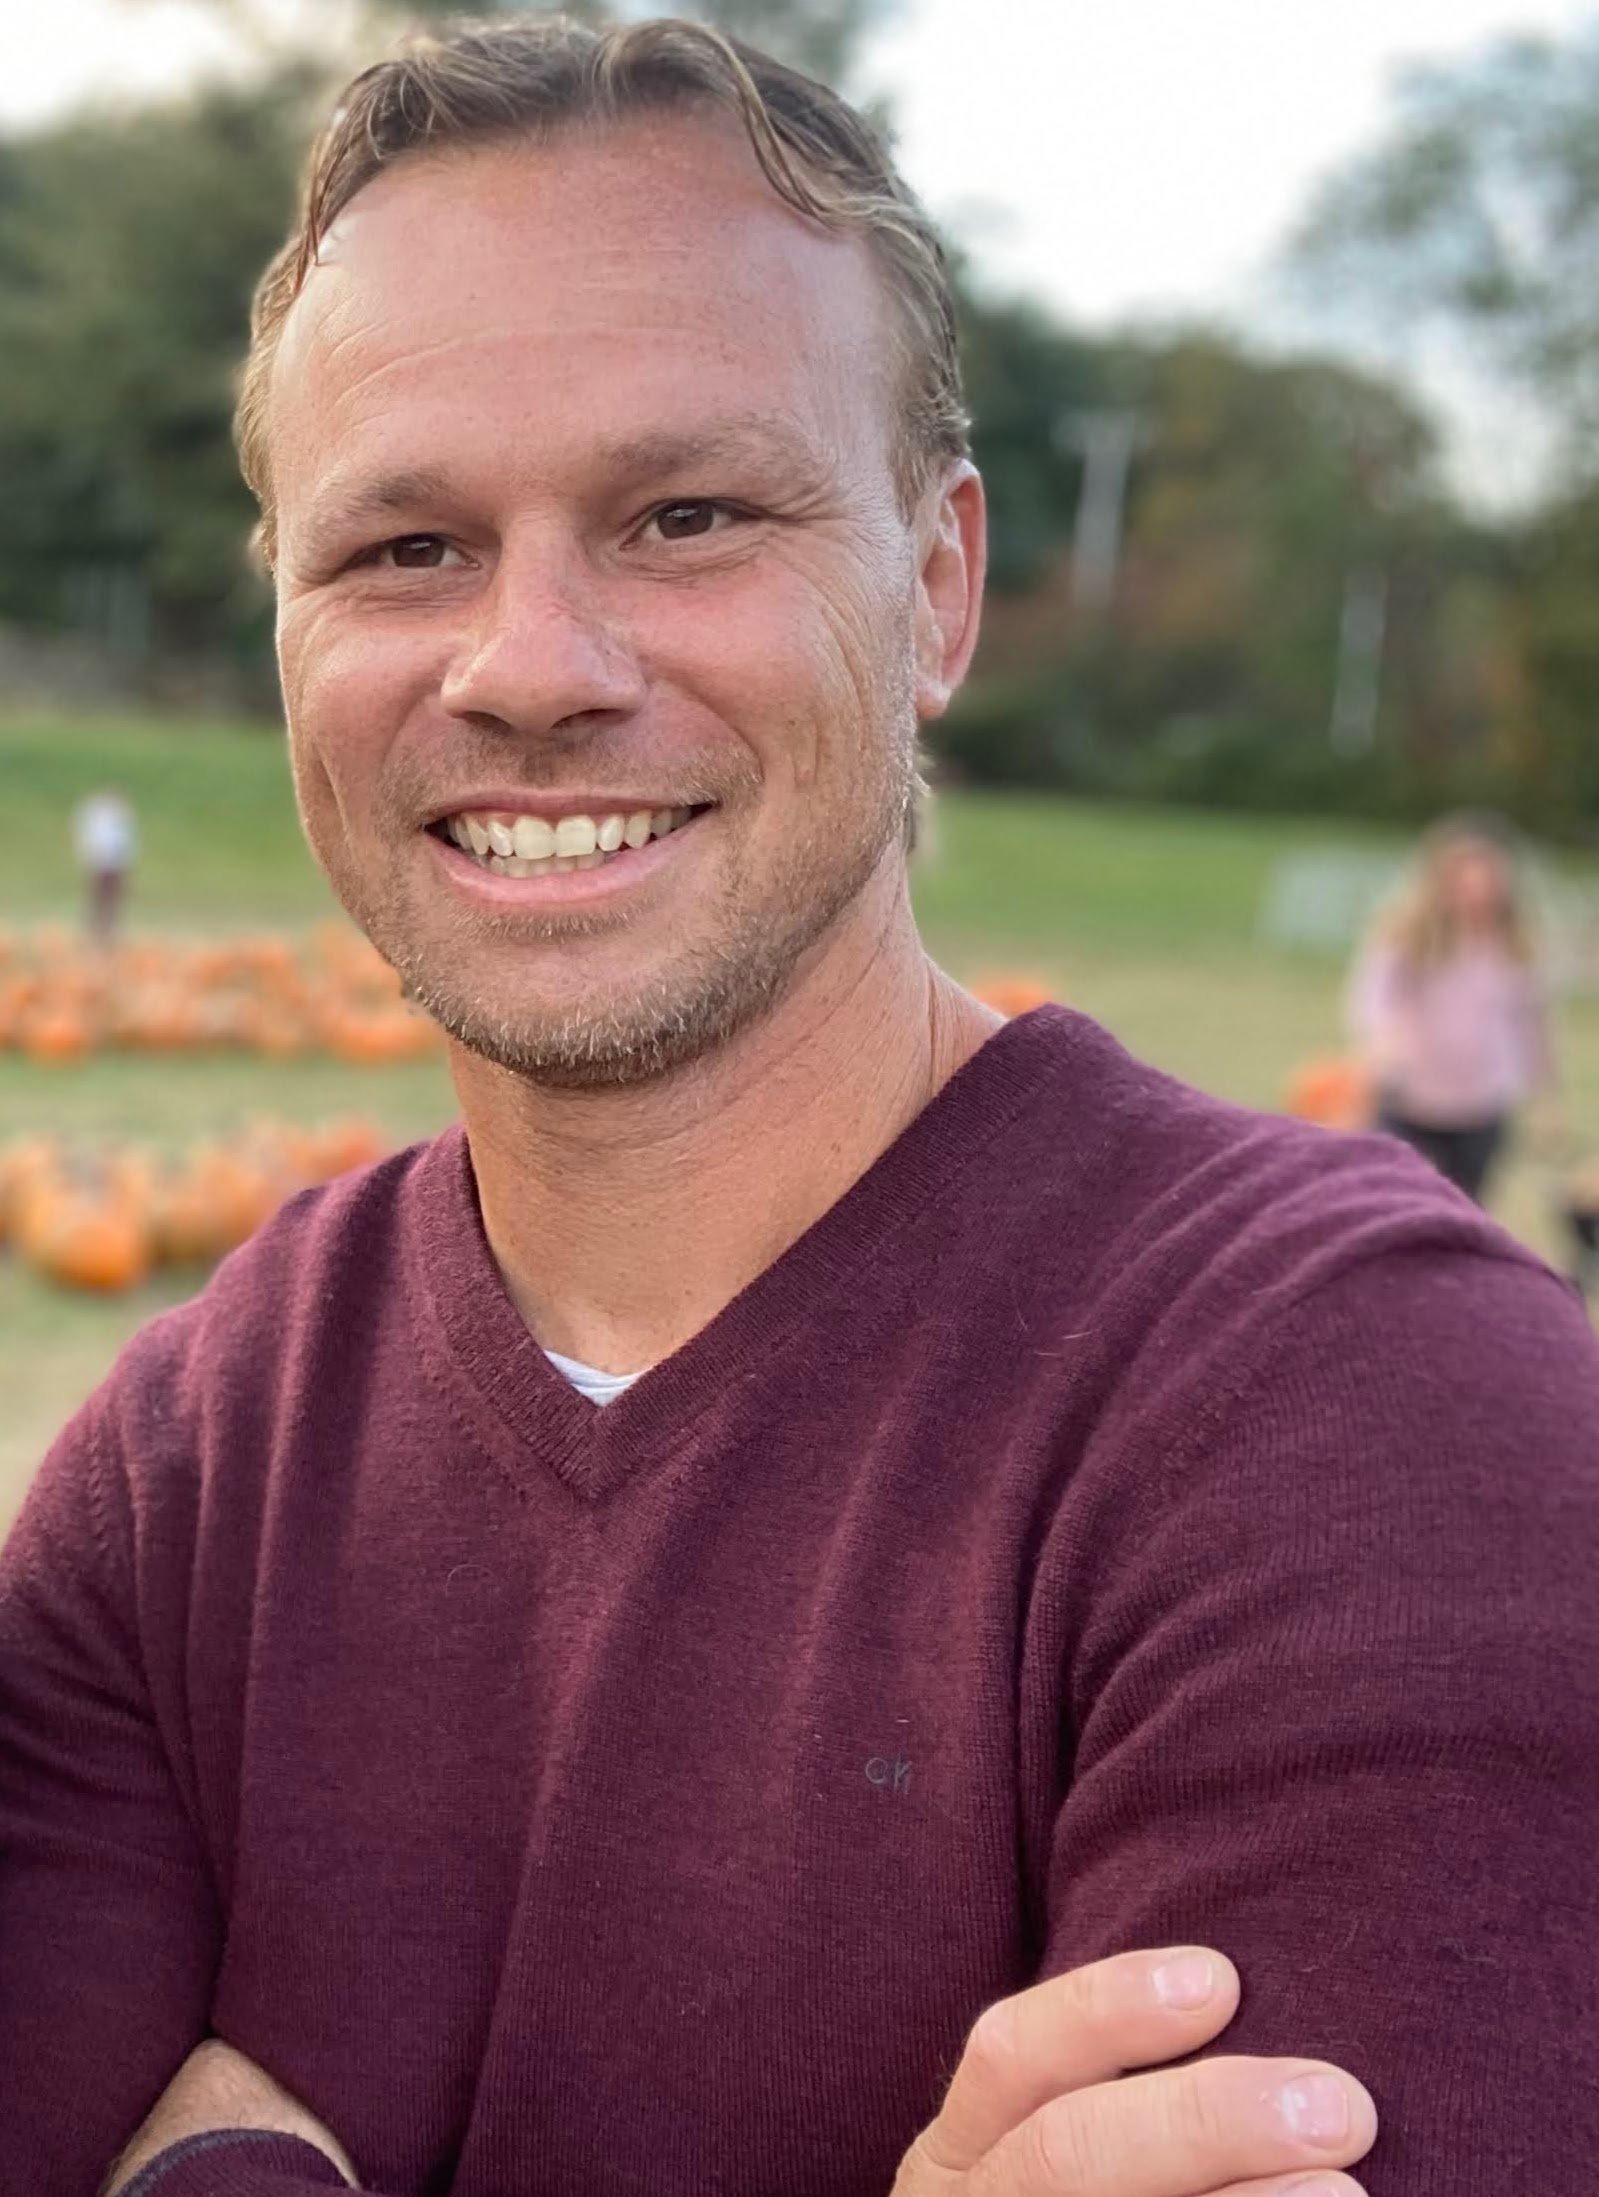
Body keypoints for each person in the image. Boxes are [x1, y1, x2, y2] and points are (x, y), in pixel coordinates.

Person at [2, 19, 1597, 2197]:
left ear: (932, 585)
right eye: (403, 549)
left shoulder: (1369, 1418)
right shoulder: (178, 1476)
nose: (530, 662)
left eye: (683, 515)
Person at [1346, 814, 1556, 1203]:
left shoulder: (1517, 946)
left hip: (1482, 1105)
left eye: (1487, 879)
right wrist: (1381, 1048)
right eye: (1465, 879)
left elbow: (1533, 1023)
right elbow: (1374, 998)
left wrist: (1546, 1098)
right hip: (1411, 1100)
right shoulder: (1407, 935)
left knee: (1465, 1207)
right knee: (1395, 1202)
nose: (1476, 892)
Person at [72, 782, 138, 946]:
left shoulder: (122, 815)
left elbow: (128, 842)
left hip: (116, 864)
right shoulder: (96, 815)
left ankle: (109, 933)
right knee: (96, 899)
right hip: (99, 863)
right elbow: (88, 839)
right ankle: (93, 933)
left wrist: (128, 862)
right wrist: (88, 858)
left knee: (113, 901)